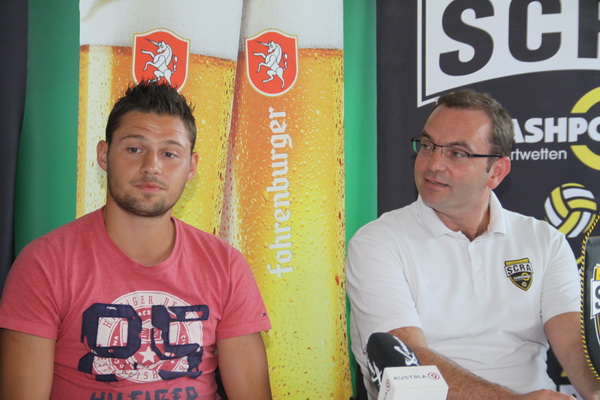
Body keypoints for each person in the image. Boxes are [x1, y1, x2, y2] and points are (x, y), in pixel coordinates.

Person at [0, 81, 272, 400]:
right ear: (104, 155)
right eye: (134, 149)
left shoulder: (225, 264)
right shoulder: (45, 263)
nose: (151, 166)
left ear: (191, 167)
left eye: (169, 153)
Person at [346, 89, 600, 400]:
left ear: (497, 172)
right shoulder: (377, 242)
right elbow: (407, 363)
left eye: (457, 153)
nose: (433, 164)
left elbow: (578, 346)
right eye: (427, 145)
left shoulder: (544, 240)